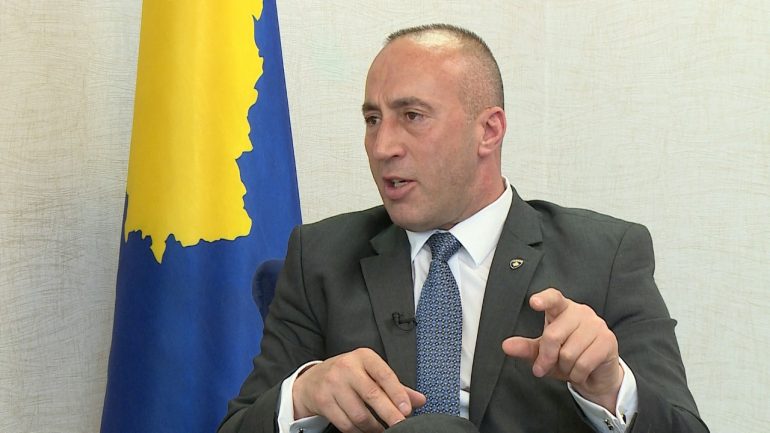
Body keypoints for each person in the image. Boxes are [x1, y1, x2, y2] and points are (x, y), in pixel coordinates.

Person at [218, 24, 709, 433]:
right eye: (372, 119)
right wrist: (304, 394)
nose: (382, 146)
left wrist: (609, 386)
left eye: (412, 116)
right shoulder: (320, 256)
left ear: (488, 131)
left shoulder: (605, 255)